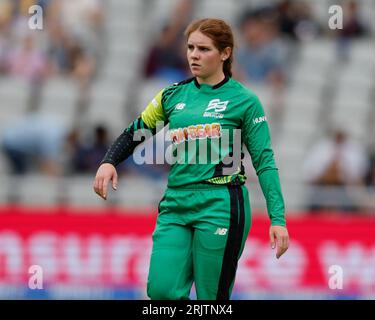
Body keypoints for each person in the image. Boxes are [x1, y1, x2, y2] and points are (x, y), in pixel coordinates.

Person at [93, 18, 289, 300]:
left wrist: (277, 218)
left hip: (221, 202)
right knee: (161, 292)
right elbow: (136, 131)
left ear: (225, 53)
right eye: (190, 47)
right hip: (176, 203)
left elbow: (265, 161)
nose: (194, 55)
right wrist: (109, 161)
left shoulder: (244, 101)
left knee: (211, 299)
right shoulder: (172, 95)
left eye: (204, 49)